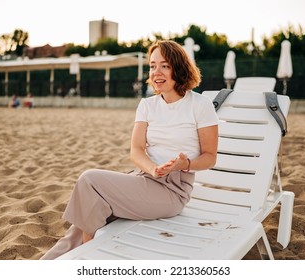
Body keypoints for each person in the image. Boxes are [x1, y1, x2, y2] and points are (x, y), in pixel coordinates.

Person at [40, 40, 218, 260]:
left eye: (164, 65)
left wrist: (186, 165)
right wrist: (153, 170)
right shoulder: (147, 105)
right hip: (143, 179)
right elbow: (136, 151)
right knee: (81, 222)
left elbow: (210, 157)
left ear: (179, 68)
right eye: (152, 66)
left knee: (89, 181)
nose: (156, 72)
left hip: (173, 191)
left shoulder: (200, 105)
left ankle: (87, 258)